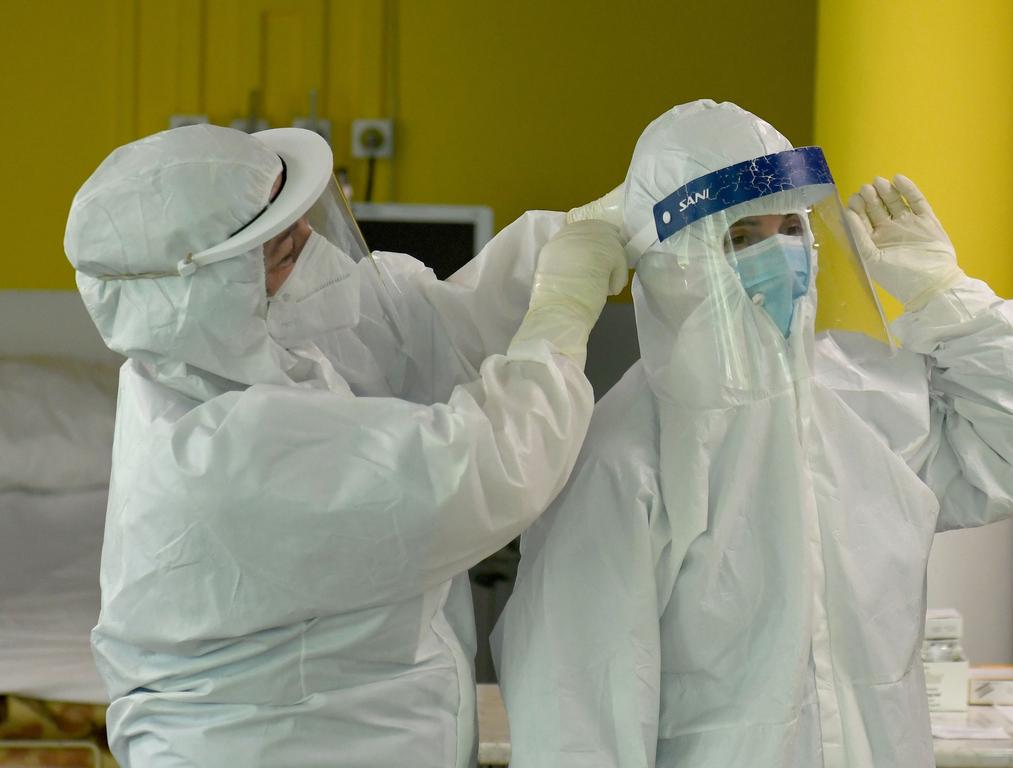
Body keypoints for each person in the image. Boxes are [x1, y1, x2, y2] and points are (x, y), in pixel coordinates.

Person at [63, 123, 627, 767]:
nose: (311, 250)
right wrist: (559, 315)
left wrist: (585, 226)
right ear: (205, 294)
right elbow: (484, 467)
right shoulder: (221, 454)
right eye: (280, 248)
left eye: (302, 221)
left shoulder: (254, 343)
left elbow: (434, 328)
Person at [493, 100, 1013, 767]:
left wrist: (947, 298)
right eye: (741, 237)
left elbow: (1012, 451)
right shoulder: (624, 462)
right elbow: (577, 726)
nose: (780, 254)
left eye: (792, 228)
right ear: (672, 262)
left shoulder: (858, 404)